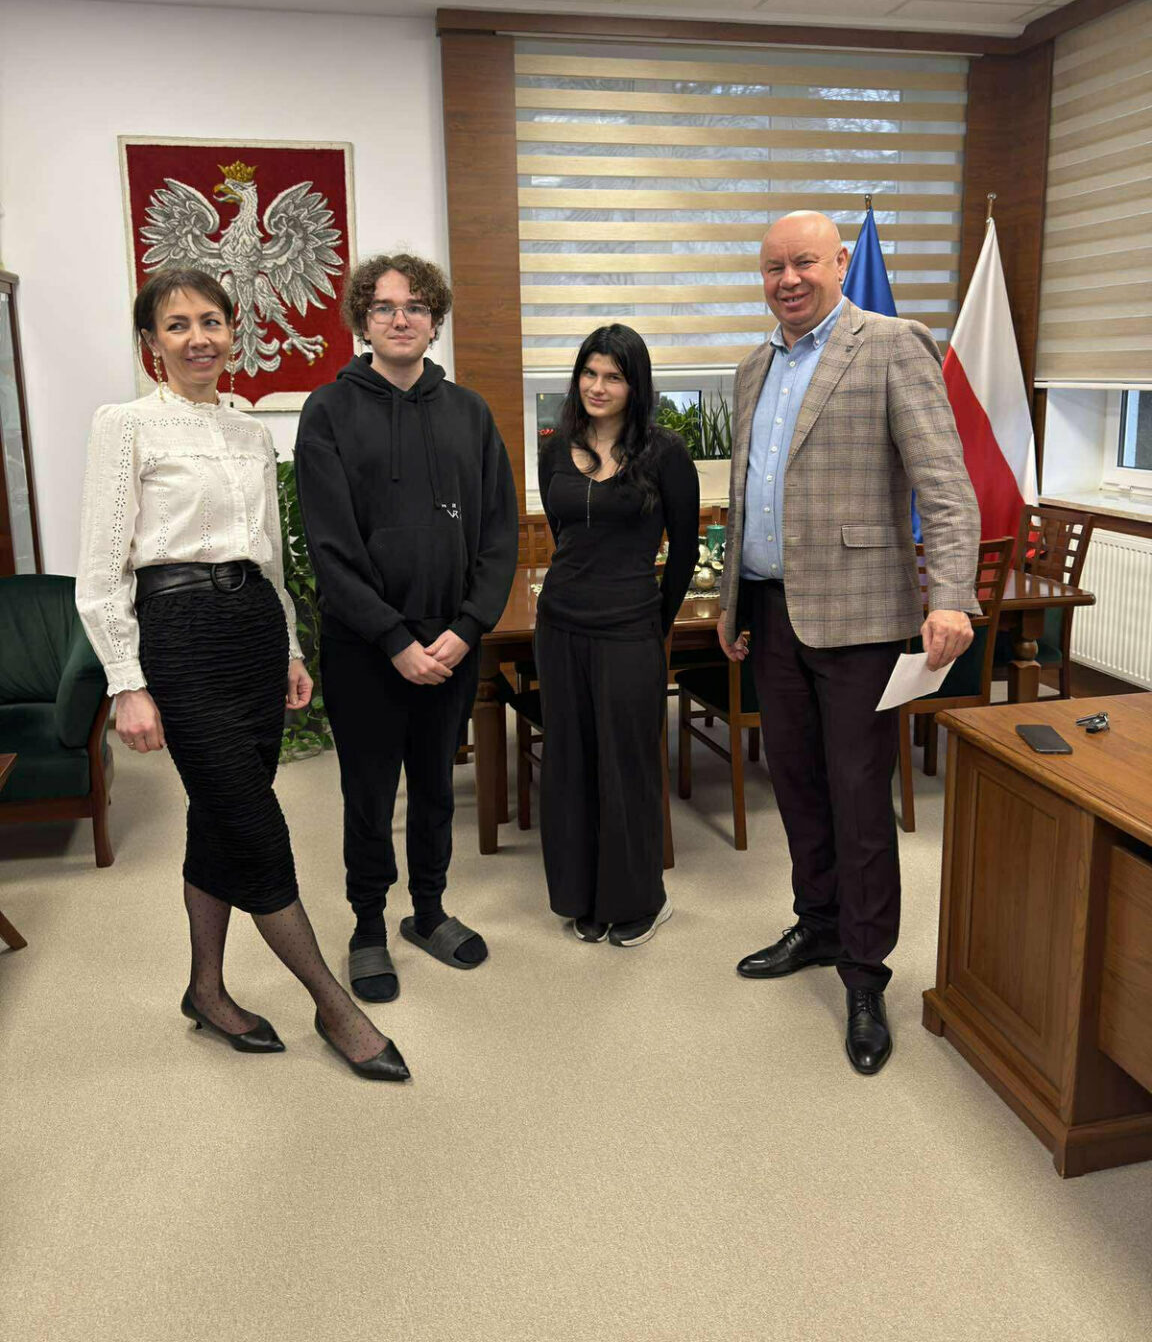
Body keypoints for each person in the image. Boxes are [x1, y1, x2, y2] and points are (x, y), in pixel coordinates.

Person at [76, 268, 408, 1081]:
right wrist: (126, 682)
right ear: (151, 342)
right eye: (178, 325)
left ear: (234, 331)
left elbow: (269, 559)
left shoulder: (251, 432)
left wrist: (289, 647)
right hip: (179, 637)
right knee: (258, 830)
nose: (199, 338)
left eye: (212, 321)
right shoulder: (126, 425)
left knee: (219, 820)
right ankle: (334, 1006)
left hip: (254, 633)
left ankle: (206, 991)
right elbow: (100, 572)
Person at [716, 211, 980, 1075]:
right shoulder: (753, 367)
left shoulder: (894, 345)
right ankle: (819, 924)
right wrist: (732, 602)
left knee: (860, 799)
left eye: (803, 262)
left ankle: (865, 975)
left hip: (863, 619)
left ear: (839, 262)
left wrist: (951, 595)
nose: (787, 279)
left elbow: (946, 486)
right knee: (795, 785)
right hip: (771, 614)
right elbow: (750, 495)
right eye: (772, 267)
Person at [294, 253, 518, 1003]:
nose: (401, 318)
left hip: (450, 642)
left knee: (434, 787)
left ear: (434, 320)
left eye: (416, 306)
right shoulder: (328, 411)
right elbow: (330, 547)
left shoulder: (470, 414)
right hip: (366, 646)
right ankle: (367, 926)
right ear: (363, 320)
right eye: (385, 307)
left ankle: (428, 912)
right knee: (367, 793)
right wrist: (394, 639)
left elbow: (498, 535)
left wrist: (468, 626)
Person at [536, 324, 699, 946]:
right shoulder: (555, 447)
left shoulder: (666, 452)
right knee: (570, 763)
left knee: (627, 765)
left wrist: (654, 622)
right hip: (560, 626)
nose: (598, 387)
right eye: (589, 372)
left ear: (636, 385)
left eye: (614, 376)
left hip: (630, 629)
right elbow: (564, 535)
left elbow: (684, 552)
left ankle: (639, 900)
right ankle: (583, 894)